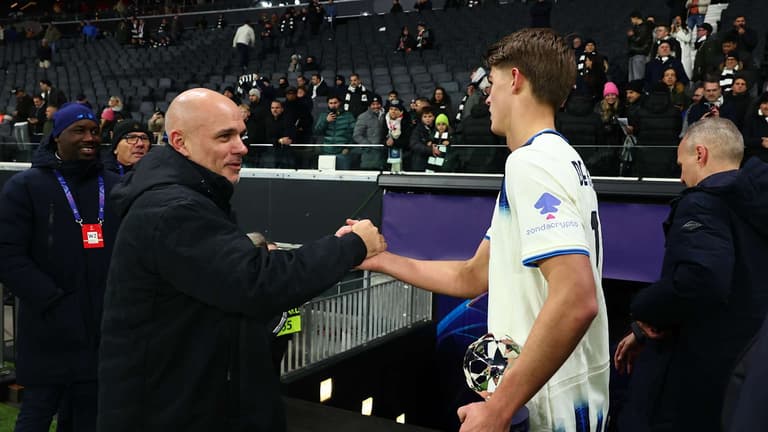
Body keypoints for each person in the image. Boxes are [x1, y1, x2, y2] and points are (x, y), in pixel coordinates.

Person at [358, 28, 609, 431]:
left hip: (549, 409)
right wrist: (381, 259)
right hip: (571, 399)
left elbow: (577, 298)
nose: (486, 97)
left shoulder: (531, 164)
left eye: (491, 85)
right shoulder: (561, 159)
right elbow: (474, 275)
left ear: (515, 80)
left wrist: (499, 408)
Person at [97, 88, 386, 432]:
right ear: (180, 141)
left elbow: (234, 280)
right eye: (225, 136)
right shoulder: (173, 209)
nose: (242, 147)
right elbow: (256, 282)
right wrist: (353, 246)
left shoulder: (187, 197)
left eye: (241, 135)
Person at [614, 117, 768, 432]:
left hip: (692, 378)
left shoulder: (701, 204)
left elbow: (701, 280)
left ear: (700, 154)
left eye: (681, 163)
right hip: (740, 377)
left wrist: (644, 308)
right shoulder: (755, 206)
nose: (681, 175)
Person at [0, 103, 120, 432]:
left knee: (88, 418)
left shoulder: (114, 186)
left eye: (94, 131)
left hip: (99, 330)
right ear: (56, 137)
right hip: (48, 328)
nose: (90, 138)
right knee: (36, 416)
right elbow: (8, 254)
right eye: (79, 131)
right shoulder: (25, 187)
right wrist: (53, 300)